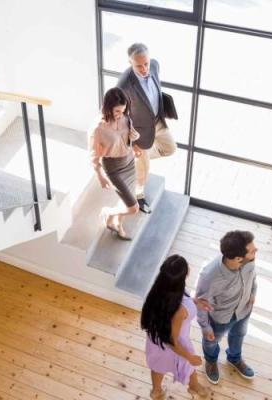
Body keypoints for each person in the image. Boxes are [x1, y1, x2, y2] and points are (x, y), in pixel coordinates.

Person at [115, 42, 177, 215]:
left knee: (170, 149)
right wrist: (132, 143)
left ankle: (135, 161)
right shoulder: (123, 85)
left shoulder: (155, 65)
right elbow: (119, 117)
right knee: (144, 170)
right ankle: (138, 194)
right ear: (130, 62)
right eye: (138, 65)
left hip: (158, 121)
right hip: (139, 132)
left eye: (146, 64)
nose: (144, 69)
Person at [142, 255, 214, 399]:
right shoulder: (180, 310)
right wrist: (190, 357)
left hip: (156, 341)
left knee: (157, 367)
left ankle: (156, 392)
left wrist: (195, 302)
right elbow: (172, 341)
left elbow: (177, 299)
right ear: (186, 274)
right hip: (177, 344)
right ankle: (194, 387)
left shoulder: (158, 290)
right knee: (189, 366)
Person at [195, 230, 258, 384]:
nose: (256, 250)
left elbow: (253, 276)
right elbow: (200, 302)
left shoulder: (248, 260)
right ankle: (210, 361)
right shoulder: (210, 276)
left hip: (243, 311)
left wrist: (253, 293)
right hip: (221, 318)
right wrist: (205, 327)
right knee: (211, 341)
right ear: (238, 258)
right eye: (252, 249)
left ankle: (234, 358)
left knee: (239, 335)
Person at [89, 87, 141, 240]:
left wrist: (135, 147)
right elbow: (94, 155)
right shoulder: (99, 128)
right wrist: (99, 175)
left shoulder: (125, 118)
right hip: (114, 168)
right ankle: (108, 212)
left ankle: (117, 223)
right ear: (108, 108)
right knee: (133, 208)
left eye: (123, 111)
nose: (120, 115)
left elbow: (127, 138)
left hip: (129, 163)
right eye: (117, 111)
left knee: (126, 198)